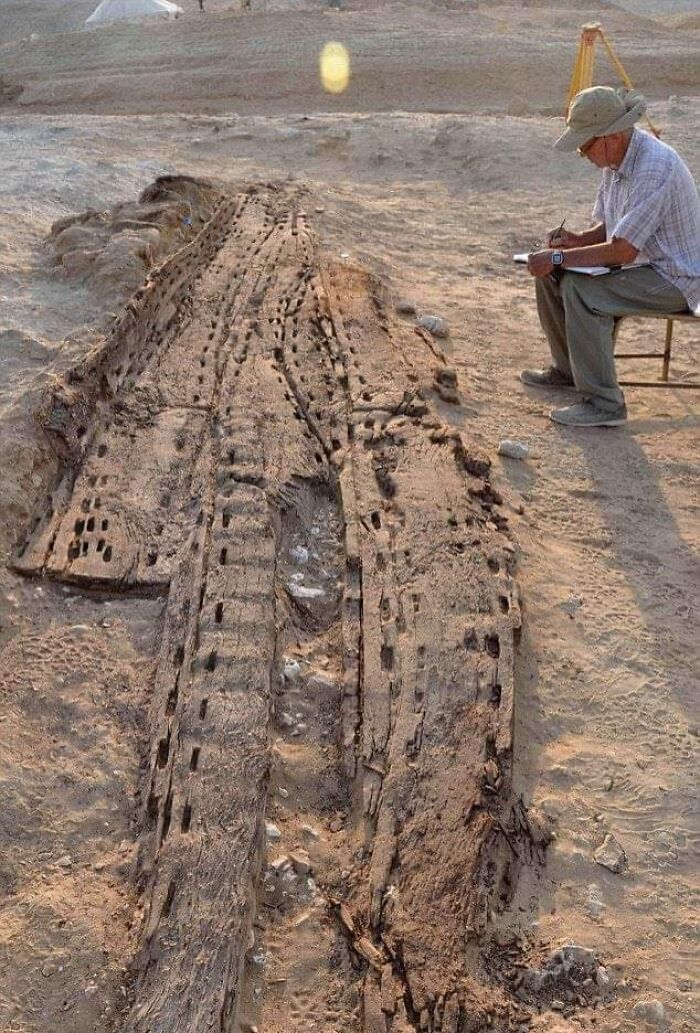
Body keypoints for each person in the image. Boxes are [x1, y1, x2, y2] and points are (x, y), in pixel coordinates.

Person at [522, 86, 700, 428]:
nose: (582, 153)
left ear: (613, 136)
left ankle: (605, 403)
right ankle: (569, 371)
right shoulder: (617, 160)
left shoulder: (654, 167)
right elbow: (610, 227)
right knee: (551, 275)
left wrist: (558, 258)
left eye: (585, 145)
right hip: (644, 265)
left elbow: (622, 249)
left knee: (580, 289)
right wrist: (573, 242)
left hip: (676, 277)